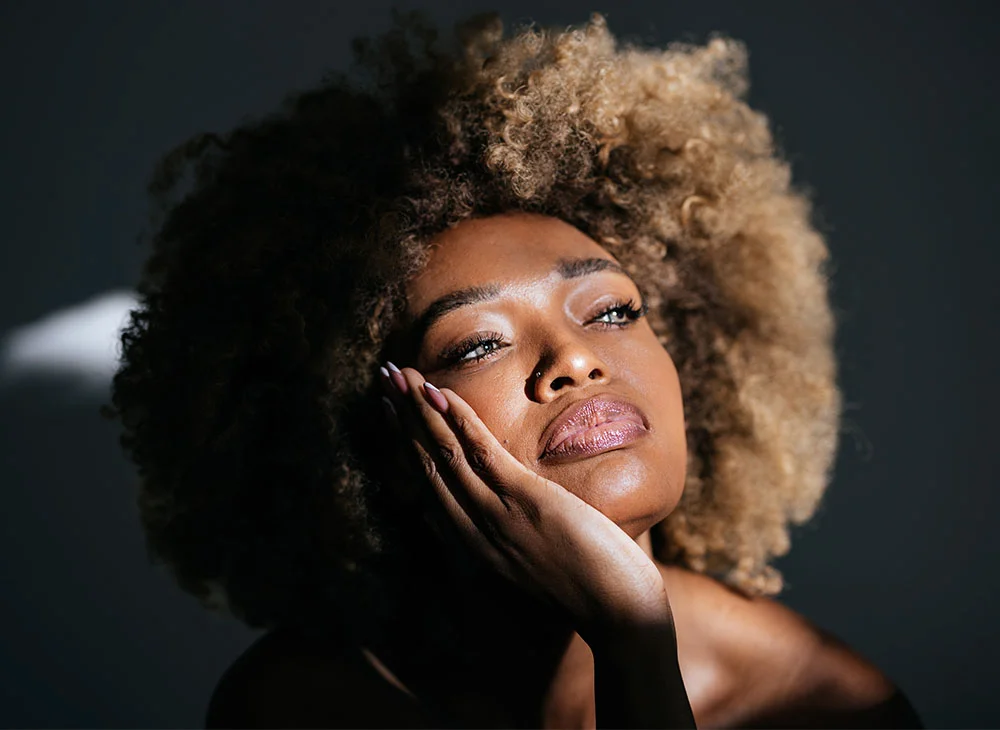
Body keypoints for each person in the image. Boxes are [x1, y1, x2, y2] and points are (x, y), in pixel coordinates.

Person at [105, 12, 923, 728]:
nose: (574, 359)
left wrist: (634, 643)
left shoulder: (818, 701)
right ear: (371, 444)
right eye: (476, 344)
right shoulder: (307, 704)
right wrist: (629, 637)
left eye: (611, 311)